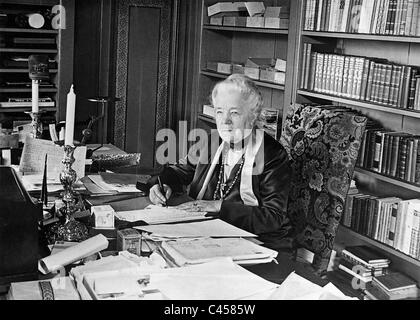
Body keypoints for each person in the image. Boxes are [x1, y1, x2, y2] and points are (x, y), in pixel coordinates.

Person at [148, 74, 293, 249]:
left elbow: (273, 217)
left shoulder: (272, 154)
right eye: (219, 112)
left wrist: (217, 206)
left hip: (256, 243)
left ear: (252, 116)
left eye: (234, 113)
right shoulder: (211, 141)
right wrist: (163, 185)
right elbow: (180, 171)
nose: (225, 121)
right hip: (205, 234)